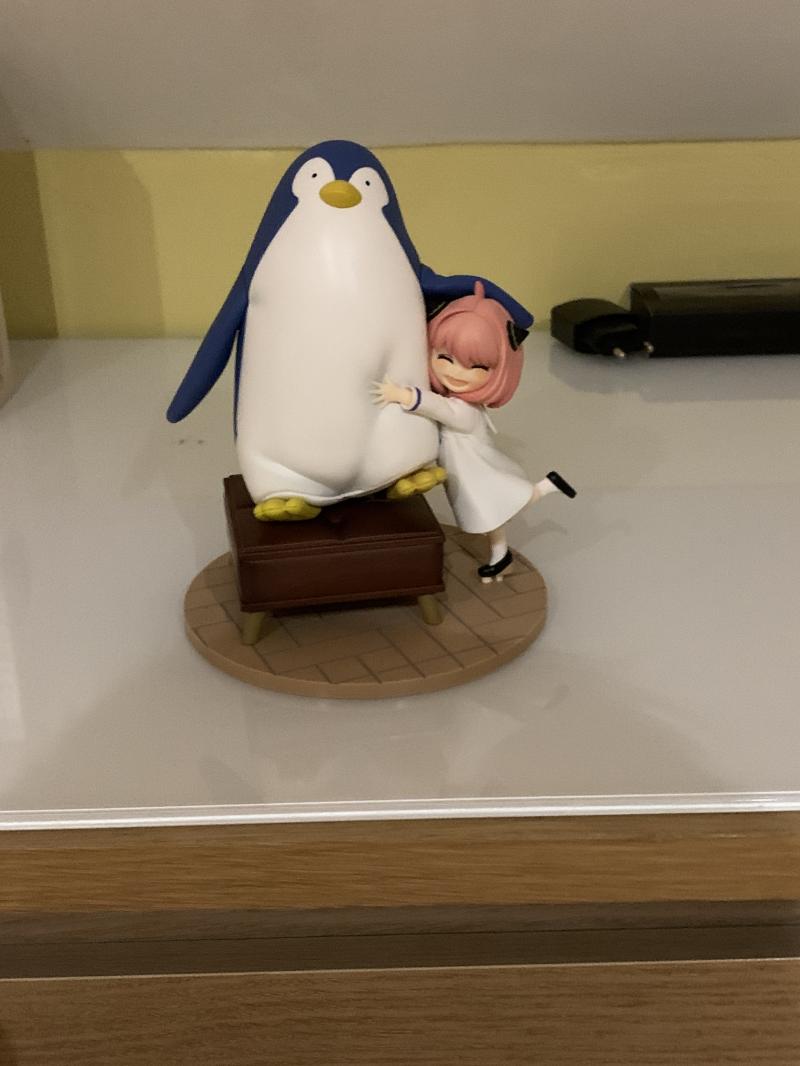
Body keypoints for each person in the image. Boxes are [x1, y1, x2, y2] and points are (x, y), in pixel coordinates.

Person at [372, 281, 575, 582]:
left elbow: (442, 409)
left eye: (476, 366)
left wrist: (404, 395)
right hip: (467, 470)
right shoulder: (462, 402)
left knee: (494, 510)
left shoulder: (465, 410)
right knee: (493, 513)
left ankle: (542, 491)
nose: (455, 372)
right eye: (445, 358)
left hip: (474, 472)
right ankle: (504, 550)